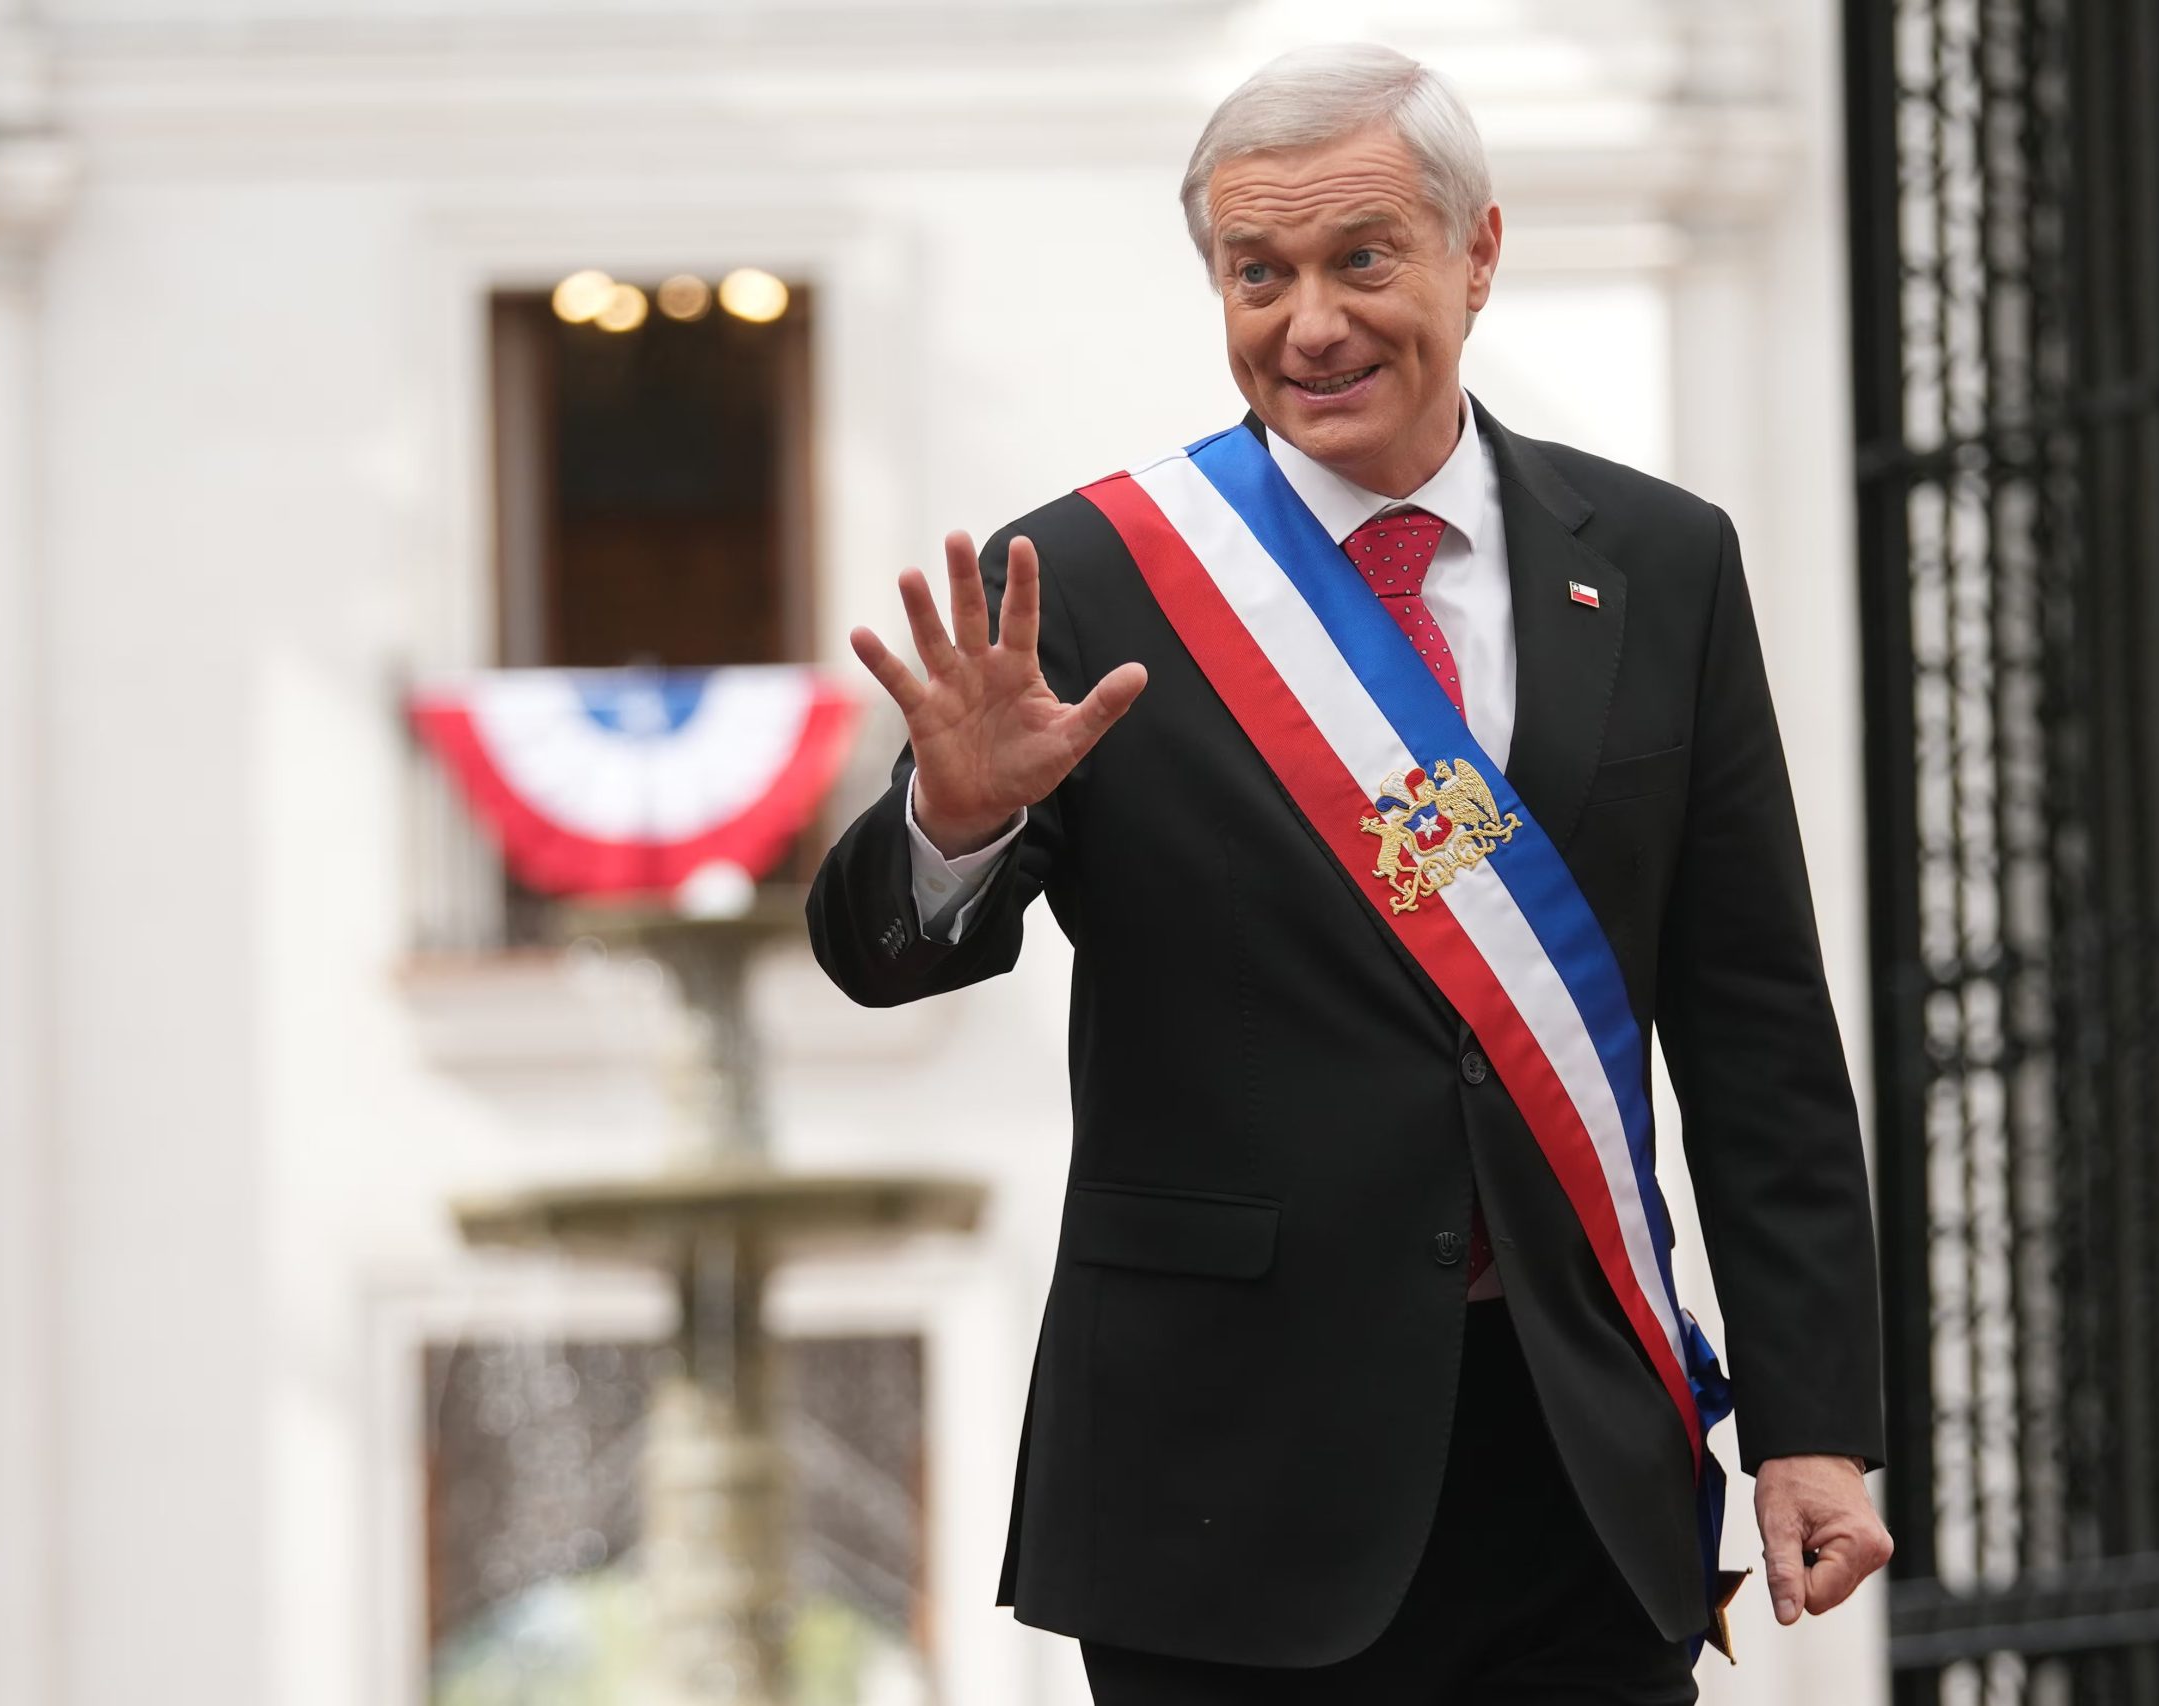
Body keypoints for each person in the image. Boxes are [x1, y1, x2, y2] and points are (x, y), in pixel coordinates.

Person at [808, 42, 1891, 1705]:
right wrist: (953, 826)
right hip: (1225, 1475)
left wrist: (1811, 1421)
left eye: (1361, 258)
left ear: (1479, 253)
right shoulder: (1092, 581)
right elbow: (883, 958)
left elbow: (1756, 1030)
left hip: (1570, 1443)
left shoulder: (1664, 565)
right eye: (1260, 274)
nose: (1309, 323)